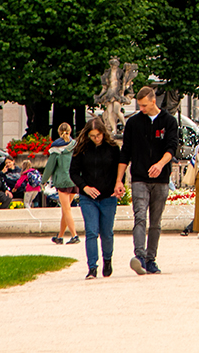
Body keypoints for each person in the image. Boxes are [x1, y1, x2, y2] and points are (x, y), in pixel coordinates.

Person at [119, 86, 179, 275]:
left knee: (155, 222)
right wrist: (119, 180)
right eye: (140, 105)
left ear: (154, 101)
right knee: (140, 217)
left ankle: (151, 259)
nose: (141, 109)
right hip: (139, 177)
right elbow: (125, 153)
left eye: (144, 105)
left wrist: (160, 164)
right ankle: (140, 256)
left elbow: (172, 148)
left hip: (161, 179)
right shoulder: (134, 123)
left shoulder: (169, 121)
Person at [69, 116, 124, 279]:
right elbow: (73, 172)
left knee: (107, 232)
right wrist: (85, 187)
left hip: (108, 196)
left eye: (98, 135)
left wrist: (119, 185)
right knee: (91, 231)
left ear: (103, 133)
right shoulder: (81, 149)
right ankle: (92, 267)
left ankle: (107, 259)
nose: (96, 139)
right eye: (92, 136)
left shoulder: (112, 148)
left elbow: (119, 169)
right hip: (88, 197)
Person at [42, 123, 79, 245]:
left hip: (63, 181)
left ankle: (74, 235)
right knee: (65, 210)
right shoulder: (75, 145)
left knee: (66, 209)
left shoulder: (56, 148)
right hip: (74, 180)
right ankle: (60, 236)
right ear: (70, 131)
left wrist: (43, 181)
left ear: (59, 132)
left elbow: (50, 167)